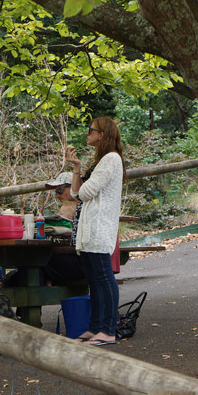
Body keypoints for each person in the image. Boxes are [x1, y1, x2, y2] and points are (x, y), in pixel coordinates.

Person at [65, 117, 126, 346]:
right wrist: (76, 168)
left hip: (99, 227)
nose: (87, 134)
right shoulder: (102, 161)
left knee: (103, 278)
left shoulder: (111, 159)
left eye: (90, 130)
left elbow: (83, 193)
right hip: (89, 229)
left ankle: (108, 329)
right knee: (93, 278)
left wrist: (80, 188)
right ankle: (96, 327)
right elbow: (75, 192)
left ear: (101, 134)